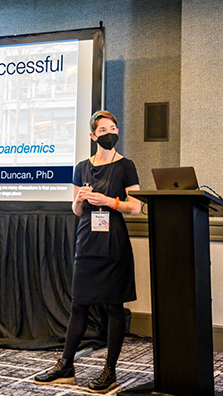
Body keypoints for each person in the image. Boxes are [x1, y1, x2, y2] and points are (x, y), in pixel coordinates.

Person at [34, 110, 141, 393]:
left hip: (113, 243)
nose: (110, 133)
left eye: (114, 128)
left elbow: (136, 207)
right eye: (104, 129)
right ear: (93, 136)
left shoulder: (126, 166)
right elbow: (76, 209)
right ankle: (66, 365)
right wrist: (80, 200)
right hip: (86, 241)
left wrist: (109, 201)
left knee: (113, 306)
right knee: (79, 304)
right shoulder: (81, 167)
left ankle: (110, 371)